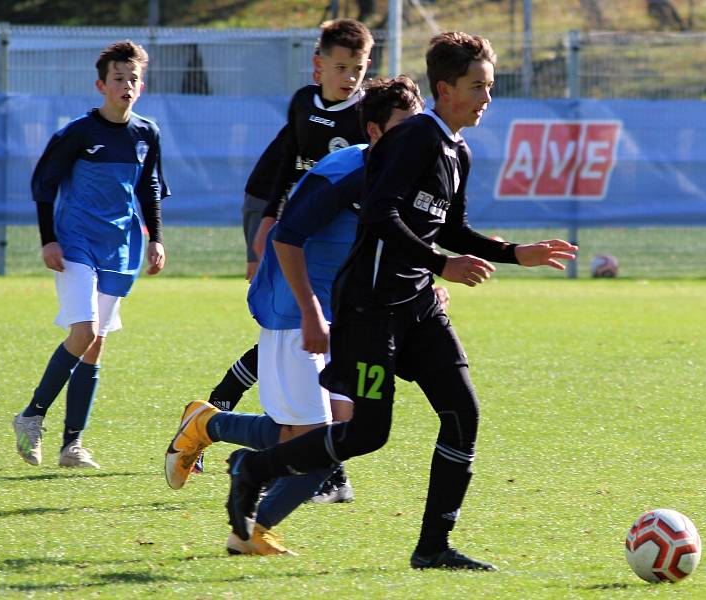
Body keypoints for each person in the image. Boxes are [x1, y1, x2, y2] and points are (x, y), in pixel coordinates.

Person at [223, 32, 578, 571]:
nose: (487, 97)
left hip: (417, 305)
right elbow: (379, 216)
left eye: (490, 85)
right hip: (369, 309)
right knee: (367, 434)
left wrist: (513, 252)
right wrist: (440, 265)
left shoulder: (457, 149)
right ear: (446, 89)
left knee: (464, 413)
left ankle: (433, 547)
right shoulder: (415, 138)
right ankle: (256, 469)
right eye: (477, 86)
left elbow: (451, 228)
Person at [165, 76, 426, 556]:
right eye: (404, 129)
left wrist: (430, 284)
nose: (416, 140)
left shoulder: (400, 176)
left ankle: (209, 428)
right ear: (373, 131)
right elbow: (286, 239)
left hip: (342, 317)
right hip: (296, 312)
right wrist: (310, 313)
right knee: (321, 441)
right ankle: (250, 519)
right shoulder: (343, 172)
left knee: (323, 437)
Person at [199, 19, 375, 500]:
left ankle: (230, 423)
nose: (349, 77)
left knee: (318, 344)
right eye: (341, 67)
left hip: (334, 244)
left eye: (357, 68)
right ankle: (300, 460)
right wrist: (269, 219)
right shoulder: (303, 103)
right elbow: (286, 162)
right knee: (299, 337)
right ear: (319, 66)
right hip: (296, 241)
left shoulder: (367, 116)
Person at [12, 40, 168, 469]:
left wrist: (155, 238)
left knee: (96, 344)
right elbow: (44, 185)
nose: (127, 85)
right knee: (84, 332)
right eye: (119, 78)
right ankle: (31, 416)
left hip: (119, 248)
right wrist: (49, 239)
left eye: (134, 78)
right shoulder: (80, 133)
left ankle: (71, 445)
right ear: (101, 84)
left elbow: (149, 188)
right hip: (76, 243)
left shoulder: (146, 133)